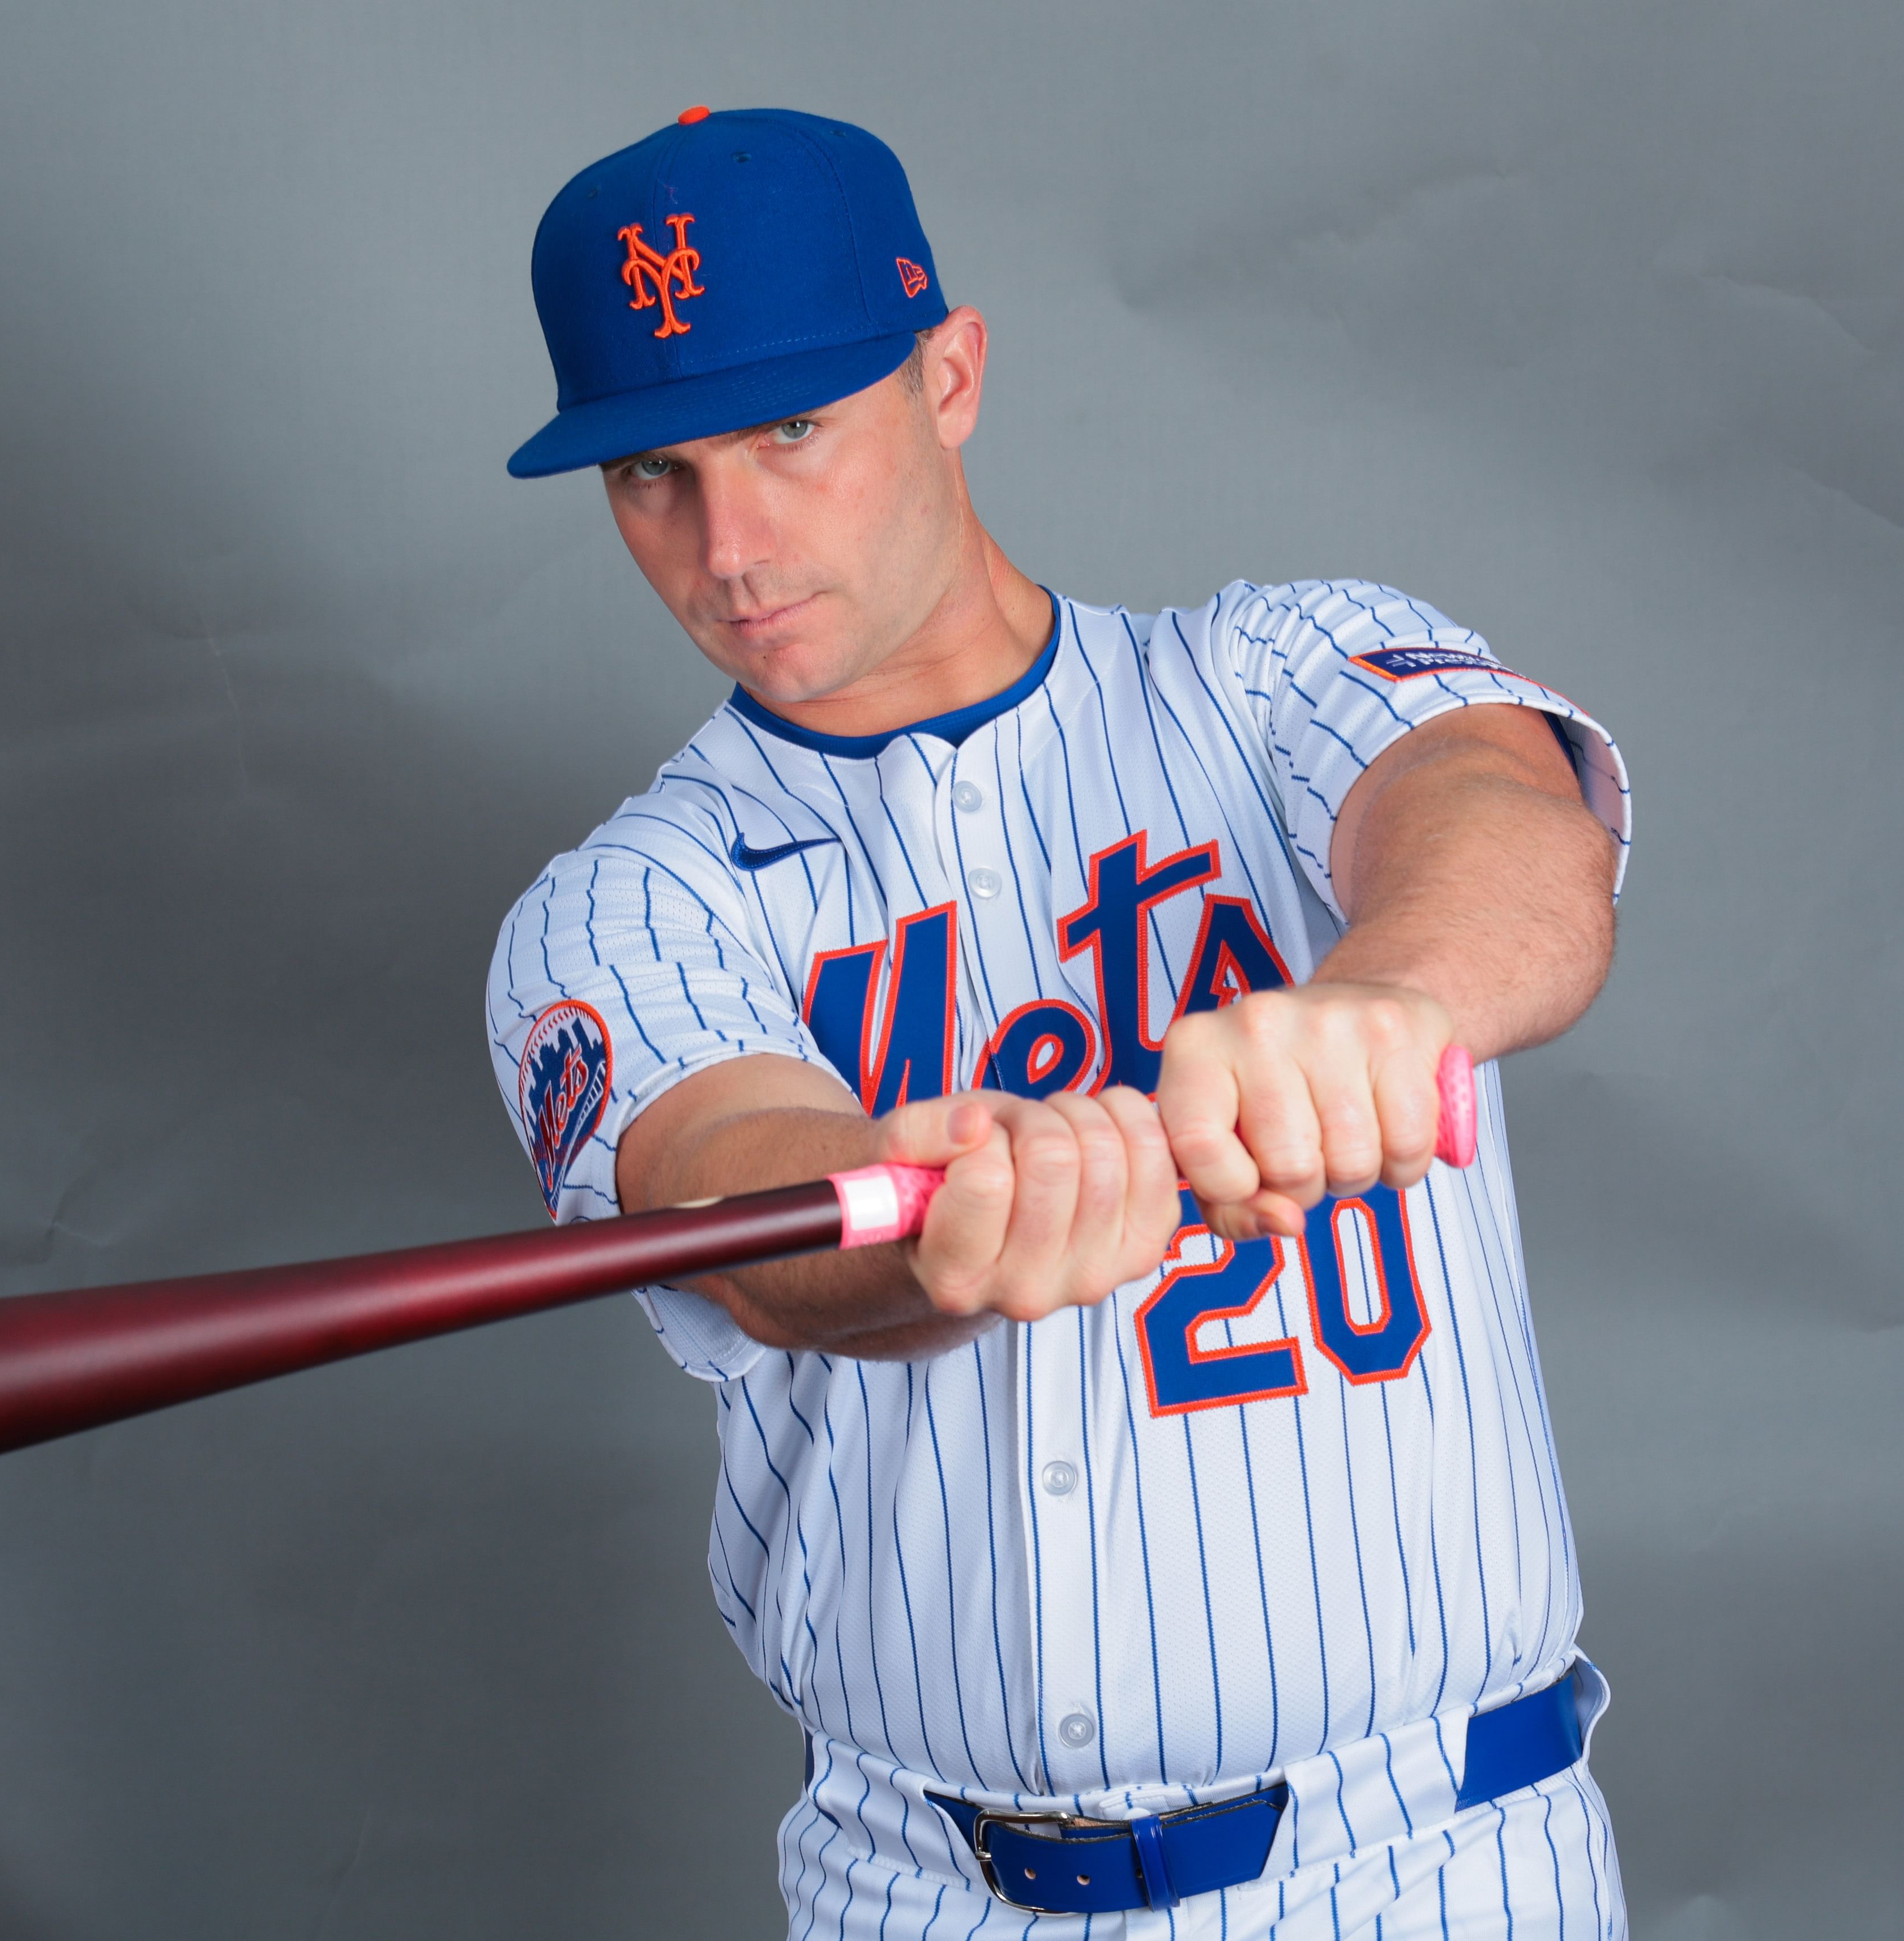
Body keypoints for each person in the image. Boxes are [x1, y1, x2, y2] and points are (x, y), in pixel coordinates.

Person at [487, 107, 1632, 1936]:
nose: (733, 542)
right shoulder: (628, 902)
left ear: (951, 375)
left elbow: (1513, 837)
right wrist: (909, 1208)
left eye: (793, 430)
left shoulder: (1269, 675)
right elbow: (731, 1188)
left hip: (1440, 1864)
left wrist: (1379, 1002)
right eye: (652, 473)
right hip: (931, 1892)